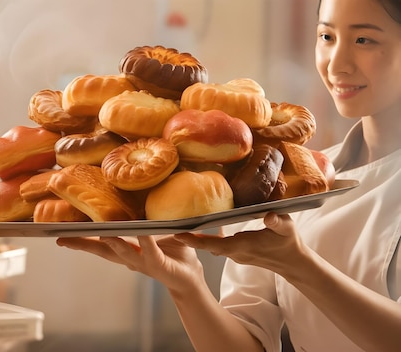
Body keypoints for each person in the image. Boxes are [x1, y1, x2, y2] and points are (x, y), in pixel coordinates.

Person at [56, 0, 401, 351]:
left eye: (363, 40)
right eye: (326, 36)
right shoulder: (289, 180)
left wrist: (299, 266)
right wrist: (185, 284)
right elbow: (247, 344)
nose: (336, 64)